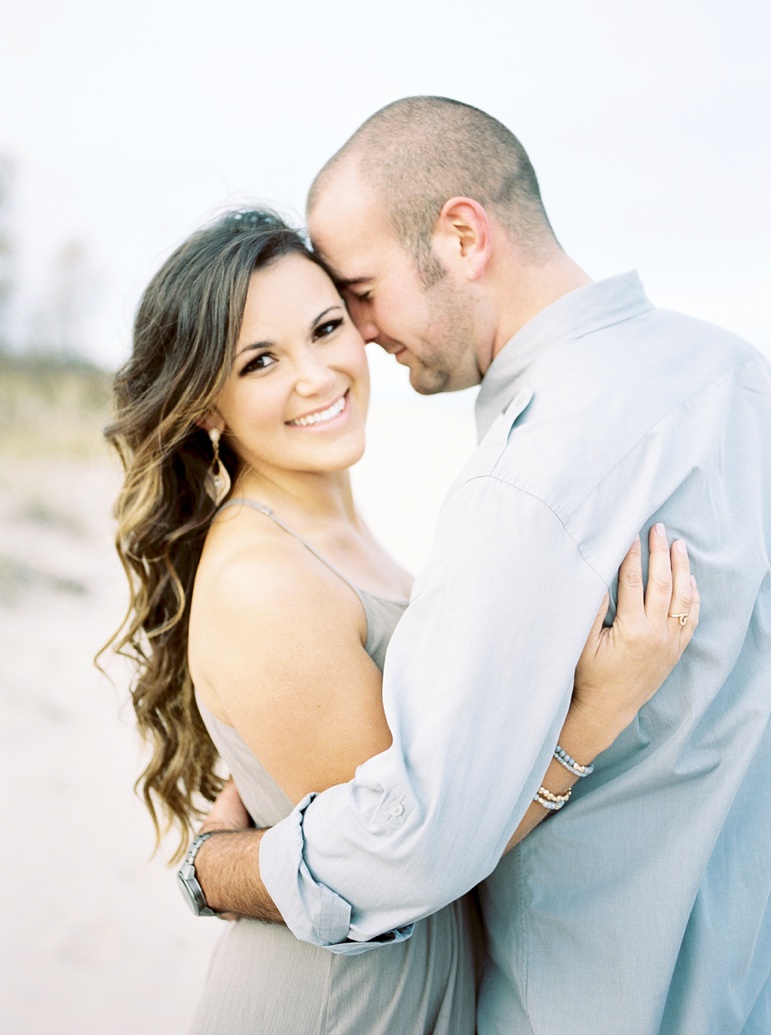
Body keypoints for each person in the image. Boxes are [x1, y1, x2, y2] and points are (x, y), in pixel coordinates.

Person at [191, 98, 771, 1035]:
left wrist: (215, 866)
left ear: (462, 236)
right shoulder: (734, 376)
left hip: (582, 999)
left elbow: (418, 837)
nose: (362, 332)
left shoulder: (523, 480)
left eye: (360, 295)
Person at [107, 209, 697, 1035]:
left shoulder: (331, 533)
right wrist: (596, 712)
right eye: (260, 361)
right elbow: (412, 855)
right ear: (207, 404)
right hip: (338, 1008)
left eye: (325, 328)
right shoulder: (262, 575)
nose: (316, 375)